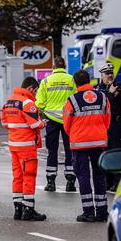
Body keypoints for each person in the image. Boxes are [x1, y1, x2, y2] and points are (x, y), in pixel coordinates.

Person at [63, 70, 111, 223]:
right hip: (99, 142)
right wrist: (99, 132)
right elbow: (107, 120)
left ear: (75, 83)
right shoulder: (102, 97)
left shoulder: (72, 100)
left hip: (79, 144)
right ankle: (102, 212)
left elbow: (66, 124)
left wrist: (75, 134)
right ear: (89, 80)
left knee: (83, 177)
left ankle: (88, 212)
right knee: (100, 176)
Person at [1, 77, 47, 221]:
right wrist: (43, 122)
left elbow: (4, 124)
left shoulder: (8, 102)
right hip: (27, 146)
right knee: (29, 176)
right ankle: (29, 209)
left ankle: (18, 209)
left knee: (17, 176)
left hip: (14, 145)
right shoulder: (27, 103)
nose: (35, 94)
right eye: (35, 91)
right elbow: (35, 125)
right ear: (30, 88)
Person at [36, 57, 77, 193]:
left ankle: (51, 182)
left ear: (53, 67)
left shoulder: (46, 81)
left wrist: (40, 114)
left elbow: (40, 103)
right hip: (68, 119)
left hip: (51, 120)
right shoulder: (72, 80)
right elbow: (76, 98)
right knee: (70, 150)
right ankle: (70, 182)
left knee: (52, 151)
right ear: (64, 66)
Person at [95, 64, 121, 191]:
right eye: (107, 74)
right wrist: (110, 95)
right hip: (103, 126)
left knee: (117, 153)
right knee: (104, 152)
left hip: (117, 126)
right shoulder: (97, 90)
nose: (110, 75)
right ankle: (107, 181)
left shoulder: (120, 87)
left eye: (111, 73)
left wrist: (117, 94)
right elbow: (102, 105)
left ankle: (117, 182)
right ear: (102, 76)